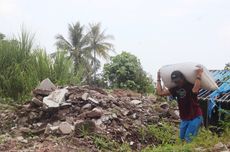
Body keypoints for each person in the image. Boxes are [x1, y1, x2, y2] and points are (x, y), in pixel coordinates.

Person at [156, 67, 204, 142]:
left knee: (189, 139)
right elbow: (160, 93)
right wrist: (158, 78)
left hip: (195, 116)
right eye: (175, 81)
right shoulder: (175, 89)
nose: (177, 83)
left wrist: (199, 74)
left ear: (183, 78)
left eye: (178, 81)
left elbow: (195, 91)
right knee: (181, 139)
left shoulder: (190, 85)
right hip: (184, 118)